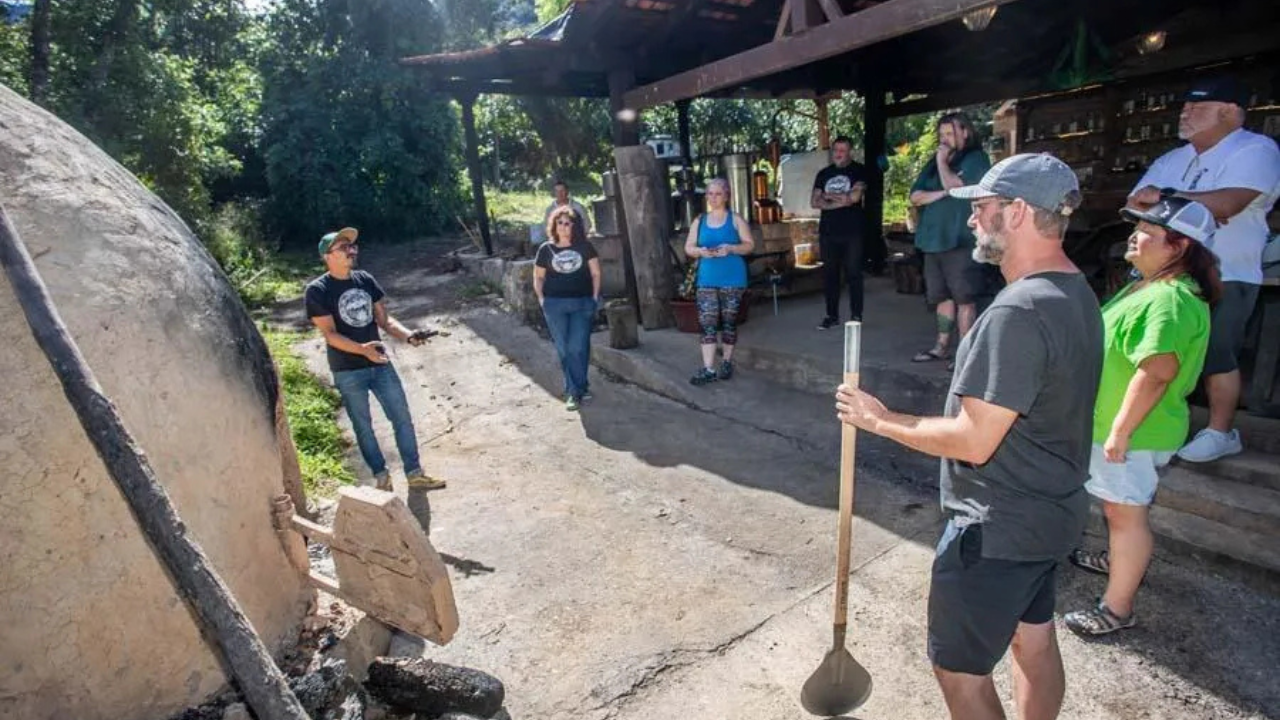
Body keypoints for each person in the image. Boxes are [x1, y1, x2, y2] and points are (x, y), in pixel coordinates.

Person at [835, 153, 1102, 720]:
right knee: (1032, 639)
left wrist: (878, 420)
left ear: (1018, 211)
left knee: (959, 670)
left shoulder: (1018, 312)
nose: (972, 220)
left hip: (997, 526)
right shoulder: (1077, 292)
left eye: (982, 208)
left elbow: (975, 440)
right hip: (1051, 512)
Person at [1064, 197, 1220, 636]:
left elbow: (1157, 371)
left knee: (1125, 516)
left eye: (1148, 231)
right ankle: (1119, 561)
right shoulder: (1149, 287)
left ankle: (1117, 608)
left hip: (1135, 432)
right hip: (1126, 428)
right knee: (1120, 511)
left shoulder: (1169, 299)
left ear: (1179, 245)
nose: (1135, 235)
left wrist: (1120, 431)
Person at [1128, 76, 1280, 462]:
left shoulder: (1256, 149)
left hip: (1226, 270)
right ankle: (1149, 422)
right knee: (1155, 347)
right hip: (1162, 271)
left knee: (1217, 352)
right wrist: (1197, 206)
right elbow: (1133, 204)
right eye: (1185, 107)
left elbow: (1229, 204)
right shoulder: (1172, 158)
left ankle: (1221, 431)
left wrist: (1165, 198)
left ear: (1229, 112)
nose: (1185, 113)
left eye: (1197, 107)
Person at [305, 227, 445, 491]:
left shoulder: (365, 279)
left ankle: (414, 473)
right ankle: (381, 477)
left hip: (380, 364)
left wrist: (408, 336)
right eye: (344, 248)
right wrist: (362, 350)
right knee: (363, 427)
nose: (351, 251)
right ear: (327, 256)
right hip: (347, 370)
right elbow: (330, 335)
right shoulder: (317, 290)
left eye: (352, 246)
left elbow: (385, 320)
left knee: (402, 417)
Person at [909, 112, 993, 369]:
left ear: (965, 132)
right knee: (941, 297)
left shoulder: (976, 158)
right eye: (941, 134)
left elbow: (958, 187)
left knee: (964, 298)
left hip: (959, 241)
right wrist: (945, 192)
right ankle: (941, 347)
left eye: (950, 133)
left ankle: (965, 355)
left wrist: (942, 166)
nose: (944, 139)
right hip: (932, 241)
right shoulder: (933, 163)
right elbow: (915, 196)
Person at [683, 177, 755, 385]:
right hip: (707, 278)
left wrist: (730, 248)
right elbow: (688, 247)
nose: (713, 198)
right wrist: (701, 252)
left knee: (729, 321)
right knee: (707, 322)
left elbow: (749, 245)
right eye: (710, 194)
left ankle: (726, 361)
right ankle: (708, 368)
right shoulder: (699, 221)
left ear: (726, 196)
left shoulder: (735, 219)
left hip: (733, 278)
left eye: (718, 194)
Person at [534, 205, 602, 412]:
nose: (564, 227)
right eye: (560, 223)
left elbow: (596, 273)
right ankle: (574, 391)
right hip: (555, 305)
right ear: (554, 225)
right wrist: (542, 299)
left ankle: (578, 387)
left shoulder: (585, 247)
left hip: (582, 303)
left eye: (568, 223)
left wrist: (594, 297)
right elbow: (538, 277)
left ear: (574, 226)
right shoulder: (546, 249)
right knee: (564, 348)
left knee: (578, 347)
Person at [811, 136, 869, 330]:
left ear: (850, 152)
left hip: (853, 231)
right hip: (828, 232)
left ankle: (856, 315)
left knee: (854, 273)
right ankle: (831, 316)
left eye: (843, 150)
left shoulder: (859, 170)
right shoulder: (823, 173)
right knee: (830, 274)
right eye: (836, 150)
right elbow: (814, 201)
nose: (838, 154)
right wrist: (842, 199)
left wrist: (828, 197)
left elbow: (854, 197)